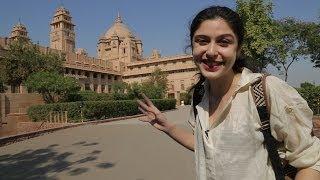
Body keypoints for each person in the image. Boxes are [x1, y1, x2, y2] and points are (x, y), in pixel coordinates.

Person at [137, 5, 320, 180]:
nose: (210, 51)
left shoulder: (266, 90)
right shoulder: (200, 96)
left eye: (224, 42)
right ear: (192, 46)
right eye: (202, 41)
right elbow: (208, 149)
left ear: (238, 49)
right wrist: (169, 127)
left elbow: (311, 162)